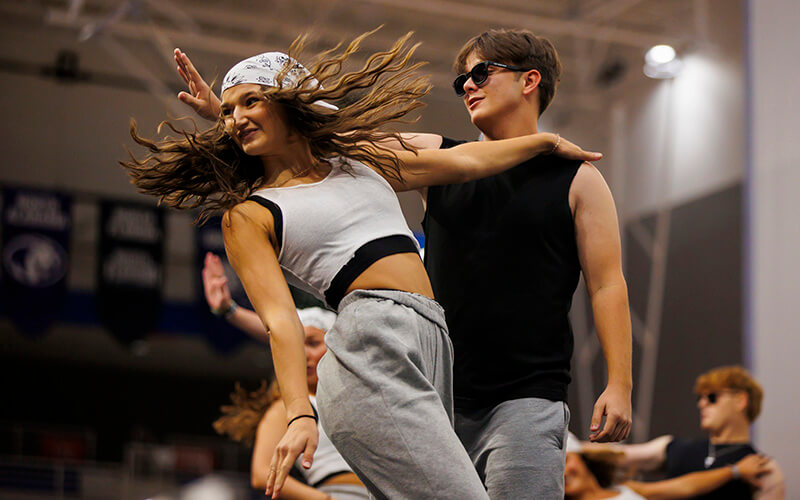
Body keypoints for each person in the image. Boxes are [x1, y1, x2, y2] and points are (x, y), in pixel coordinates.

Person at [123, 31, 600, 500]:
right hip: (369, 344)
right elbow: (282, 322)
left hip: (434, 347)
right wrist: (298, 414)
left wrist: (545, 144)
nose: (236, 118)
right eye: (228, 111)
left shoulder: (359, 163)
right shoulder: (251, 213)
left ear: (291, 102)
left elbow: (469, 161)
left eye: (250, 101)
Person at [214, 307, 369, 500]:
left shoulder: (360, 398)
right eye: (296, 348)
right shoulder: (289, 409)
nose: (303, 355)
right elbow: (261, 474)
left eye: (312, 343)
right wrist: (323, 499)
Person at [584, 366, 785, 499]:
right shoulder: (673, 447)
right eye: (700, 397)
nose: (702, 403)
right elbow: (619, 456)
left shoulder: (764, 469)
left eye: (712, 397)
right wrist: (574, 448)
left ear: (741, 400)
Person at [564, 433, 772, 500]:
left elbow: (685, 486)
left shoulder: (623, 489)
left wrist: (735, 471)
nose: (563, 473)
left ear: (582, 458)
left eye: (565, 462)